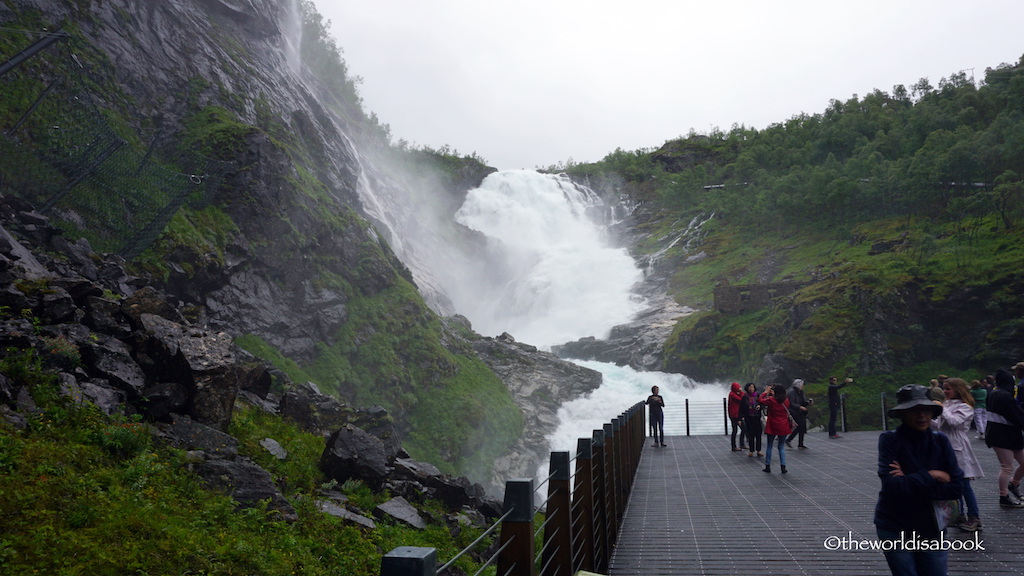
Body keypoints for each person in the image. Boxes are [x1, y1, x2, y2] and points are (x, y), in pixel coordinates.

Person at [874, 384, 964, 576]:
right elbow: (892, 486)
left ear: (932, 413)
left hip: (931, 526)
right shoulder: (890, 440)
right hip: (895, 525)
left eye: (925, 410)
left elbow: (956, 487)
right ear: (903, 414)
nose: (921, 415)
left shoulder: (940, 441)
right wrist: (933, 475)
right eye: (914, 411)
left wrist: (910, 479)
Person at [933, 378, 985, 531]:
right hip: (944, 443)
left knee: (963, 483)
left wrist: (942, 408)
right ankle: (959, 514)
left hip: (957, 444)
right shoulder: (948, 405)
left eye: (948, 389)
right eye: (944, 388)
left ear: (957, 390)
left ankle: (974, 516)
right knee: (952, 482)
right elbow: (939, 425)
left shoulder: (965, 407)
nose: (945, 391)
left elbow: (955, 422)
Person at [985, 368, 1024, 507]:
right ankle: (1004, 496)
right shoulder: (1004, 396)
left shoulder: (993, 393)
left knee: (1015, 464)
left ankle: (1012, 485)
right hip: (1003, 435)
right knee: (1007, 467)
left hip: (1001, 434)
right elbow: (1016, 415)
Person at [759, 384, 792, 474]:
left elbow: (760, 400)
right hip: (783, 424)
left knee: (769, 445)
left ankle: (768, 466)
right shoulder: (786, 400)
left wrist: (766, 392)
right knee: (781, 446)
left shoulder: (771, 400)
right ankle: (783, 466)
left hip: (772, 424)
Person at [785, 379, 811, 448]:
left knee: (802, 427)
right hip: (794, 411)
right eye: (802, 385)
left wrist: (808, 402)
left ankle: (800, 443)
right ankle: (789, 439)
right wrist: (800, 407)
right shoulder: (791, 392)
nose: (803, 386)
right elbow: (791, 403)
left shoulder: (800, 392)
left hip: (801, 412)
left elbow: (803, 401)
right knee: (800, 426)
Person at [740, 383, 763, 457]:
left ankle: (758, 450)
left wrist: (760, 406)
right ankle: (751, 450)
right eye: (750, 387)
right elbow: (742, 408)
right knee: (751, 434)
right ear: (747, 388)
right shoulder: (745, 397)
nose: (751, 389)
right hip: (749, 417)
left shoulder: (758, 395)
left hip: (757, 417)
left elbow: (763, 403)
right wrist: (740, 418)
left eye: (752, 387)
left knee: (758, 434)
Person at [727, 382, 746, 452]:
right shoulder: (732, 394)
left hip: (737, 414)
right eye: (738, 387)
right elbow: (742, 399)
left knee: (742, 429)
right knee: (736, 430)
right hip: (735, 415)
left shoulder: (734, 394)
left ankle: (741, 444)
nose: (739, 388)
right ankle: (734, 446)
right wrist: (741, 392)